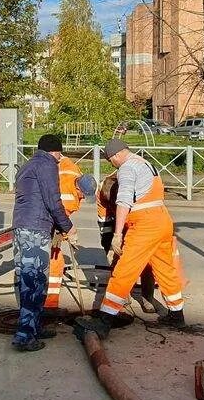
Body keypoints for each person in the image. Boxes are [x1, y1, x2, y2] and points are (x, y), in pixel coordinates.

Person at [76, 138, 186, 340]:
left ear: (116, 156)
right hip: (162, 220)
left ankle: (104, 320)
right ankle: (177, 315)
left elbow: (124, 200)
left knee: (124, 270)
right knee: (165, 269)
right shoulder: (146, 163)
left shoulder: (126, 168)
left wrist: (117, 235)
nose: (112, 166)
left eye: (111, 161)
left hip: (145, 226)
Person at [10, 133, 76, 352]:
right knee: (34, 281)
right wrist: (68, 227)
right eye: (60, 154)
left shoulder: (28, 164)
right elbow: (53, 201)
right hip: (35, 230)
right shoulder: (47, 165)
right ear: (54, 151)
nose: (60, 158)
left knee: (28, 279)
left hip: (22, 227)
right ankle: (25, 336)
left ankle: (34, 327)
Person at [96, 171, 158, 311]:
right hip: (119, 224)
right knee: (118, 261)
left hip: (142, 222)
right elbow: (104, 221)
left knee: (147, 262)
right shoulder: (101, 193)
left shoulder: (136, 187)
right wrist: (108, 246)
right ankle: (122, 296)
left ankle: (147, 298)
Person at [46, 153, 97, 313]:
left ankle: (48, 302)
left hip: (47, 211)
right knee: (56, 262)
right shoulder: (68, 198)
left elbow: (63, 159)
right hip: (45, 221)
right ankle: (49, 305)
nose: (83, 198)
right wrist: (68, 233)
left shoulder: (73, 170)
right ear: (78, 188)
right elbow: (60, 219)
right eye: (83, 195)